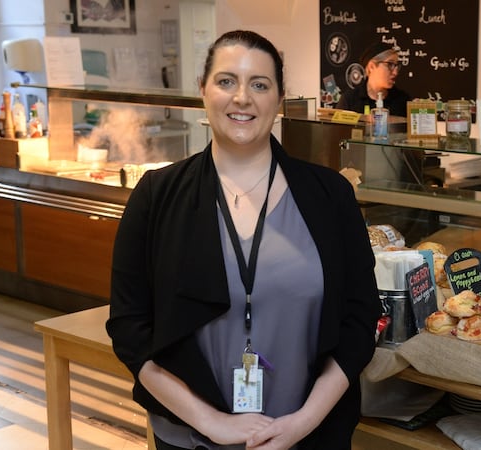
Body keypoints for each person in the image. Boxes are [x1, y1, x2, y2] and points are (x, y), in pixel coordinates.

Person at [106, 30, 381, 450]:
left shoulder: (330, 196)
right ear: (203, 90)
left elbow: (361, 319)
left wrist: (303, 423)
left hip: (308, 435)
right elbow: (130, 329)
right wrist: (212, 422)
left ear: (279, 97)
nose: (242, 98)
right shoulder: (156, 196)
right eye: (226, 81)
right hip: (191, 438)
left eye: (259, 84)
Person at [336, 42, 412, 116]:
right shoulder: (349, 101)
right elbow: (338, 128)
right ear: (372, 66)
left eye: (396, 66)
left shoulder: (402, 101)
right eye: (390, 64)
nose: (395, 72)